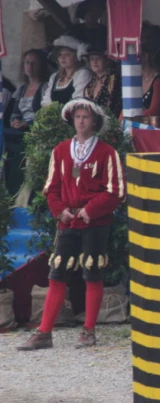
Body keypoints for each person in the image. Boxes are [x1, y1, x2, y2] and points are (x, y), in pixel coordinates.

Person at [16, 99, 124, 351]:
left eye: (86, 117)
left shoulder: (107, 152)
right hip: (67, 220)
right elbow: (50, 188)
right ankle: (44, 333)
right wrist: (59, 210)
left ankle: (88, 330)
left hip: (95, 222)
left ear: (94, 121)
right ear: (72, 120)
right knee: (57, 273)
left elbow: (116, 191)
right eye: (78, 117)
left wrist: (90, 210)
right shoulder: (61, 150)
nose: (81, 121)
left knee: (92, 272)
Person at [42, 36, 92, 107]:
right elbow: (46, 101)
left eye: (67, 54)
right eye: (60, 55)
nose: (62, 58)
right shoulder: (55, 77)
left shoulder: (82, 74)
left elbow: (78, 100)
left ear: (76, 57)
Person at [9, 49, 48, 130]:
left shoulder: (45, 87)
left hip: (38, 130)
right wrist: (15, 121)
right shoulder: (21, 89)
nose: (30, 66)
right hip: (21, 129)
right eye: (27, 62)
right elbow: (15, 113)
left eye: (34, 63)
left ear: (41, 66)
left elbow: (46, 113)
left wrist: (29, 123)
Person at [83, 44, 121, 118]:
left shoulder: (115, 80)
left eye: (98, 59)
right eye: (92, 59)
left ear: (106, 60)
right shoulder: (90, 86)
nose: (94, 62)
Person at [140, 47, 160, 123]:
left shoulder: (159, 82)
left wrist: (130, 116)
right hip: (137, 125)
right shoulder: (138, 80)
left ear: (145, 56)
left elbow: (154, 112)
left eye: (135, 56)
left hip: (156, 129)